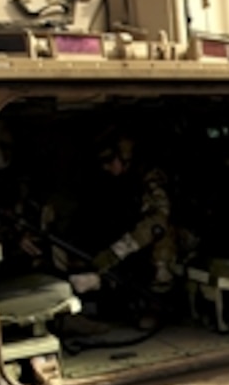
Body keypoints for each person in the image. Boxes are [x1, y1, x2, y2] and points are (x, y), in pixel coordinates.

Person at [66, 130, 178, 329]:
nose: (106, 168)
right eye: (102, 163)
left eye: (110, 161)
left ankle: (157, 303)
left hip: (160, 240)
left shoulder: (150, 178)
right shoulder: (110, 181)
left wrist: (114, 254)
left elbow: (157, 222)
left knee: (163, 239)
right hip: (129, 246)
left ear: (124, 157)